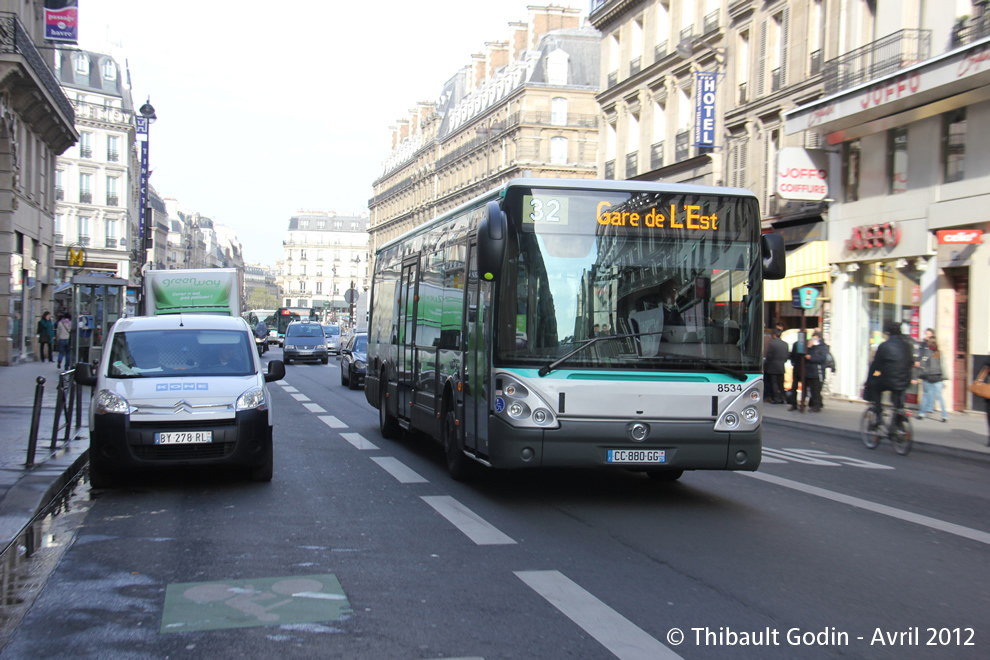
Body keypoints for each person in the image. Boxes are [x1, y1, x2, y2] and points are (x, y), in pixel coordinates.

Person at [865, 320, 916, 429]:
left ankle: (878, 415)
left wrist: (871, 378)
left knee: (876, 389)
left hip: (888, 380)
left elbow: (876, 366)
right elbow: (911, 362)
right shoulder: (907, 345)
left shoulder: (884, 346)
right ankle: (898, 416)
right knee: (898, 395)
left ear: (888, 333)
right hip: (904, 379)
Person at [918, 329, 948, 422]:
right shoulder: (939, 353)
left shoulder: (927, 352)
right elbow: (943, 365)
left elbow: (922, 363)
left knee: (925, 395)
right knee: (940, 397)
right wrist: (944, 378)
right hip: (938, 377)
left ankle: (922, 413)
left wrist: (921, 373)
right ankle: (945, 415)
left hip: (928, 377)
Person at [803, 331, 830, 412]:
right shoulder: (812, 346)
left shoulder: (823, 347)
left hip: (818, 372)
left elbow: (822, 359)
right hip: (810, 371)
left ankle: (817, 405)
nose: (813, 339)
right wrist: (809, 347)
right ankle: (813, 404)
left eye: (815, 338)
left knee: (816, 390)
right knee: (811, 389)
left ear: (819, 338)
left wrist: (811, 357)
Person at [764, 327, 788, 404]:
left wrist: (766, 364)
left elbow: (769, 355)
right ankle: (783, 397)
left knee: (774, 383)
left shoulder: (772, 344)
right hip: (781, 366)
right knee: (781, 383)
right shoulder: (785, 344)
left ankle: (776, 398)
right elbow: (786, 356)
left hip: (773, 366)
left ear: (774, 335)